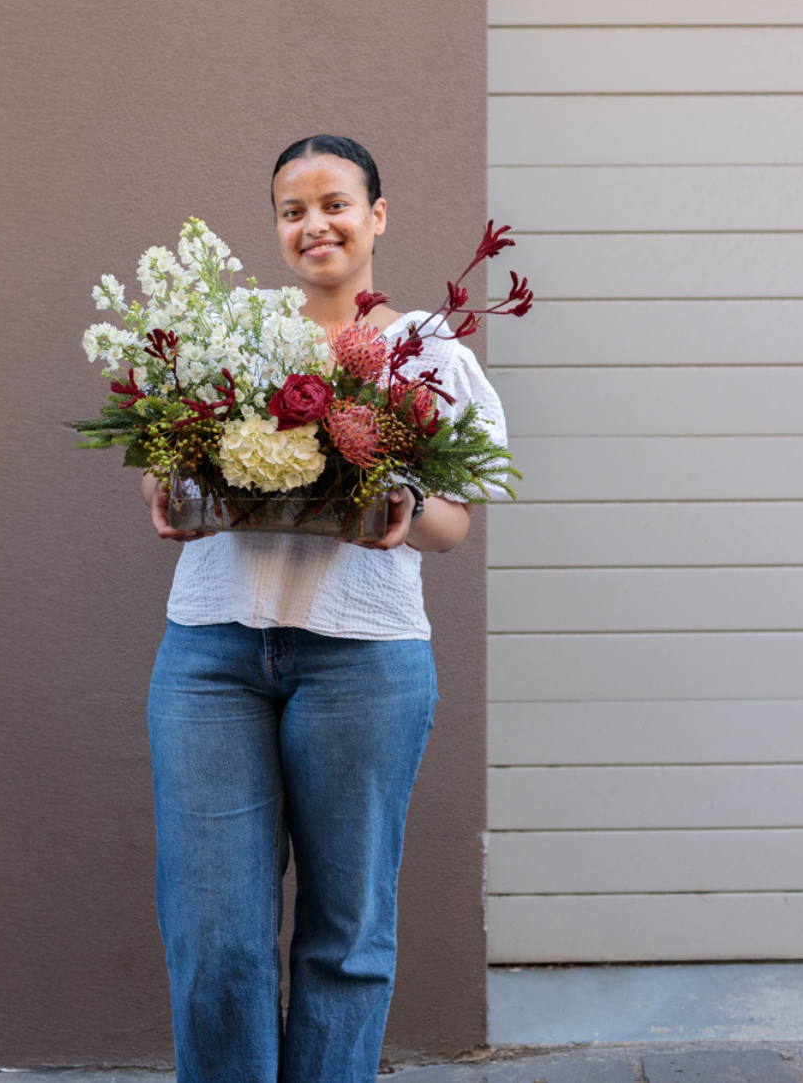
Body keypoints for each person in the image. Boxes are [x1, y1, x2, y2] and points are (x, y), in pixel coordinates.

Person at [140, 135, 507, 1083]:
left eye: (335, 203)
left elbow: (457, 523)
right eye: (293, 210)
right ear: (276, 227)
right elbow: (170, 454)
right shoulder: (233, 337)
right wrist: (162, 478)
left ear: (376, 215)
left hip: (364, 662)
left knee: (345, 939)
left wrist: (407, 508)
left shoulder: (426, 351)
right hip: (212, 657)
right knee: (216, 939)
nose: (316, 225)